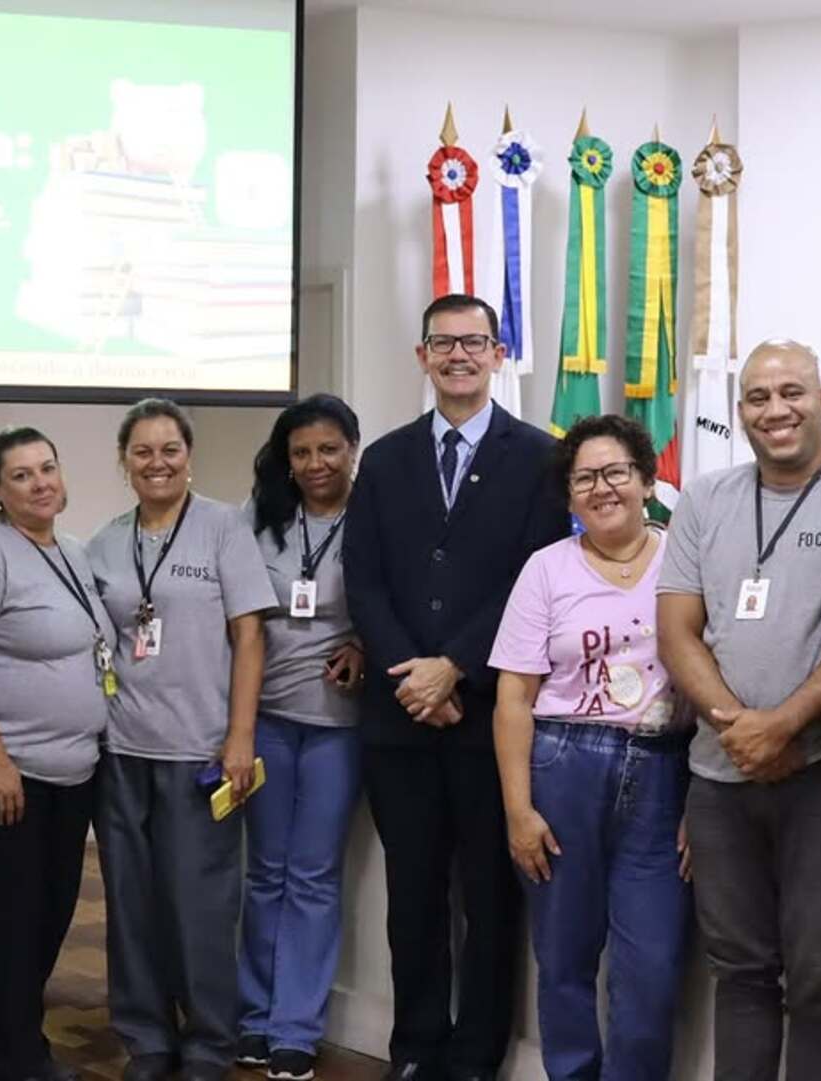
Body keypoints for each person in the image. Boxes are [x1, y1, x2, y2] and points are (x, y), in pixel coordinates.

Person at [342, 294, 570, 1081]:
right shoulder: (386, 457)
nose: (460, 355)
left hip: (488, 717)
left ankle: (477, 1053)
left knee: (490, 895)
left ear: (498, 353)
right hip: (401, 718)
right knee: (412, 896)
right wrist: (412, 672)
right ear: (423, 355)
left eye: (475, 342)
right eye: (445, 343)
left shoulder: (541, 456)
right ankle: (415, 1046)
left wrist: (457, 666)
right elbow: (363, 579)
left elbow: (534, 579)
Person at [655, 339, 821, 1081]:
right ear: (739, 410)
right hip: (717, 778)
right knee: (739, 971)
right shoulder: (706, 498)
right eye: (757, 396)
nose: (775, 409)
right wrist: (735, 726)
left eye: (792, 392)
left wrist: (782, 725)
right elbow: (677, 628)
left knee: (818, 975)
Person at [491, 414, 694, 1081]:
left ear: (644, 480)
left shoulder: (684, 558)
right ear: (570, 494)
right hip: (564, 765)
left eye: (616, 472)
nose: (602, 488)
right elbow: (514, 698)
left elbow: (718, 672)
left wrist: (706, 800)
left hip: (664, 771)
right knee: (565, 955)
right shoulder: (545, 569)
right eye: (585, 477)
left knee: (653, 965)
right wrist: (519, 810)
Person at [86, 399, 277, 1081]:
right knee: (131, 903)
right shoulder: (105, 542)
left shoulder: (226, 528)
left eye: (170, 449)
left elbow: (250, 635)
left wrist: (240, 736)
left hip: (201, 750)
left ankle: (206, 1041)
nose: (157, 462)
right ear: (124, 461)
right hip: (121, 749)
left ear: (188, 456)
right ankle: (145, 1036)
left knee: (201, 905)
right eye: (142, 451)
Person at [0, 427, 109, 1081]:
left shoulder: (72, 550)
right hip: (3, 776)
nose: (40, 483)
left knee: (43, 920)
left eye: (48, 468)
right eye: (20, 474)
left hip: (71, 772)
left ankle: (21, 1046)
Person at [235, 394, 367, 1081]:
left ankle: (295, 1028)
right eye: (301, 452)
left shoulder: (374, 519)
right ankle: (253, 1019)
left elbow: (399, 598)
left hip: (338, 726)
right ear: (285, 459)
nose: (316, 463)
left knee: (313, 877)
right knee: (263, 874)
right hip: (264, 720)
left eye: (328, 448)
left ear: (352, 447)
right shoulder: (256, 521)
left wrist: (368, 646)